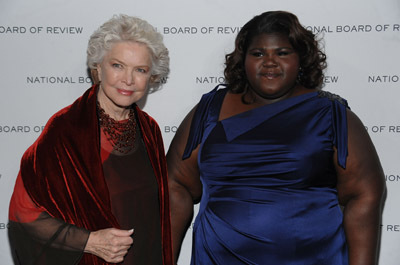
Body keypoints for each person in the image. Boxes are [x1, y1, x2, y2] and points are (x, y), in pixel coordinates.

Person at [167, 10, 385, 265]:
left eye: (282, 53)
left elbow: (364, 194)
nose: (269, 62)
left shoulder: (331, 115)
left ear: (301, 59)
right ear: (243, 59)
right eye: (258, 53)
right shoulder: (209, 110)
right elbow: (176, 185)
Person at [8, 14, 173, 265]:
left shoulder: (149, 129)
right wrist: (90, 241)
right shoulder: (66, 129)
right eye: (117, 65)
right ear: (98, 67)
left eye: (140, 70)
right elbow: (23, 212)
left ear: (151, 77)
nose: (128, 79)